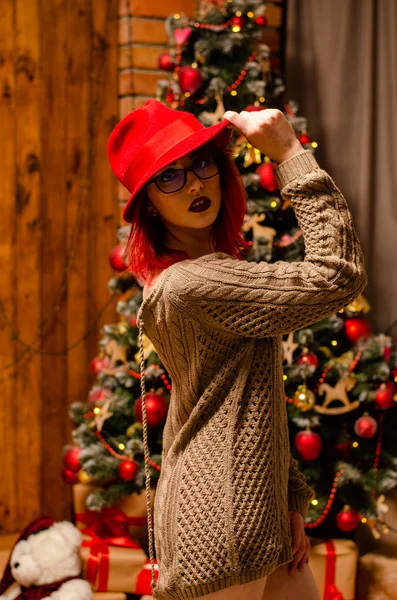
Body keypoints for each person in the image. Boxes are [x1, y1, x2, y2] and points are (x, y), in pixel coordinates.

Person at [107, 99, 367, 600]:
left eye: (202, 164)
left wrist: (287, 499)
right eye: (170, 177)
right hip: (218, 520)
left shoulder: (206, 271)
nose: (195, 184)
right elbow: (338, 275)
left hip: (252, 510)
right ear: (149, 205)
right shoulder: (189, 284)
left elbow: (245, 396)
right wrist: (290, 152)